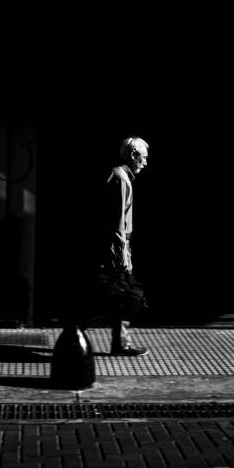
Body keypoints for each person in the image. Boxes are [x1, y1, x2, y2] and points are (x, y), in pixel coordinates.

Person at [99, 136, 150, 356]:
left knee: (122, 295)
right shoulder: (121, 179)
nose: (145, 163)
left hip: (116, 248)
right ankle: (119, 344)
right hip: (117, 250)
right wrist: (123, 257)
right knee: (125, 294)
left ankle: (120, 342)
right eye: (143, 158)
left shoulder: (119, 176)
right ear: (133, 155)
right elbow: (119, 222)